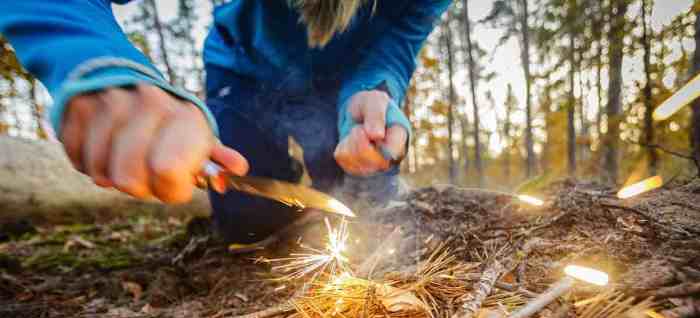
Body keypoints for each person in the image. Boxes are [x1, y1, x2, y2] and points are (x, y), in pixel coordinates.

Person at [0, 0, 451, 243]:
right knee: (249, 223)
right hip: (244, 70)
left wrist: (374, 95)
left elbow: (395, 44)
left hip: (339, 82)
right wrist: (99, 61)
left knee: (367, 193)